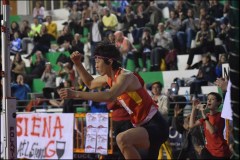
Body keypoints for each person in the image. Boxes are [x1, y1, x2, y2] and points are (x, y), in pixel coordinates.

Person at [59, 43, 168, 159]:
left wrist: (76, 94)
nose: (95, 65)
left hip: (155, 124)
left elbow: (109, 96)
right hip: (142, 126)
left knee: (122, 139)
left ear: (110, 62)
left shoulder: (125, 76)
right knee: (124, 142)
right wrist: (77, 63)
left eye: (97, 61)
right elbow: (90, 83)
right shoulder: (109, 77)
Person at [189, 92, 231, 159]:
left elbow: (212, 131)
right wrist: (194, 109)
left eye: (212, 99)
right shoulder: (207, 116)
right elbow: (191, 125)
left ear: (218, 102)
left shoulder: (220, 116)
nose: (209, 100)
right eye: (208, 99)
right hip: (209, 151)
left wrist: (203, 113)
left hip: (220, 152)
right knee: (203, 152)